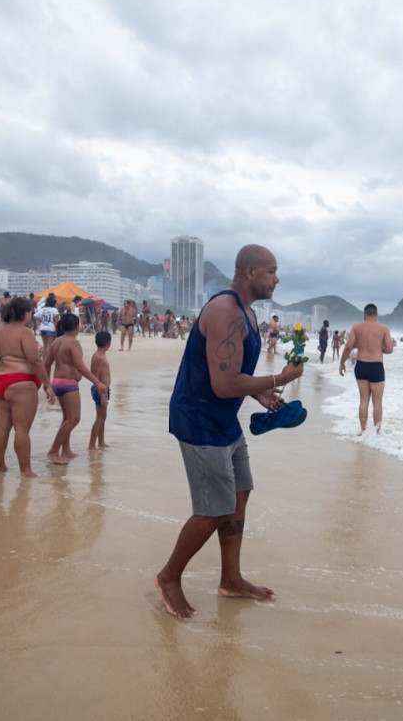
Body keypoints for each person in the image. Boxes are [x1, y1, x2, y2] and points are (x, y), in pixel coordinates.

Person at [156, 244, 305, 620]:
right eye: (272, 270)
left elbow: (229, 378)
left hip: (224, 419)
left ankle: (231, 578)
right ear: (250, 272)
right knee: (213, 509)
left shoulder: (249, 315)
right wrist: (279, 377)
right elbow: (223, 384)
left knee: (240, 494)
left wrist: (261, 391)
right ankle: (169, 576)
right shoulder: (224, 312)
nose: (277, 277)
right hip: (199, 420)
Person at [0, 296, 55, 477]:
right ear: (25, 313)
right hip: (20, 383)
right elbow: (35, 360)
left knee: (0, 426)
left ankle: (0, 467)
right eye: (30, 312)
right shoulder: (24, 332)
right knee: (21, 429)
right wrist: (47, 384)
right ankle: (25, 471)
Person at [42, 313, 107, 464]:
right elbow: (80, 366)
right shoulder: (73, 343)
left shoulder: (56, 342)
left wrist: (47, 384)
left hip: (57, 382)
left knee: (66, 418)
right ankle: (53, 451)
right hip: (68, 383)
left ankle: (66, 450)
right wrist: (97, 382)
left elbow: (46, 363)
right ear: (77, 326)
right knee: (74, 419)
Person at [340, 303, 394, 434]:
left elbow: (348, 347)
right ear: (377, 314)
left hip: (361, 365)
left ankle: (363, 431)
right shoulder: (384, 328)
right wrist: (378, 349)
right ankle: (377, 433)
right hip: (376, 366)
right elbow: (390, 349)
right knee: (377, 402)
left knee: (363, 400)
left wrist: (342, 363)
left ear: (364, 314)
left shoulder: (357, 327)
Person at [88, 330, 112, 451]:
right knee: (100, 417)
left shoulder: (101, 355)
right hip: (100, 389)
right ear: (108, 343)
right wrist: (103, 395)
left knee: (103, 416)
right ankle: (92, 444)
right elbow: (95, 377)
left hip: (104, 389)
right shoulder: (98, 357)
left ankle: (101, 441)